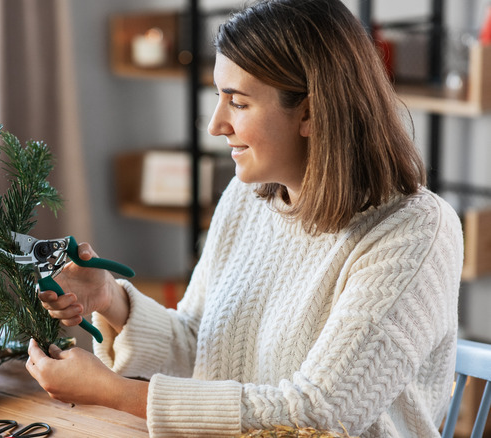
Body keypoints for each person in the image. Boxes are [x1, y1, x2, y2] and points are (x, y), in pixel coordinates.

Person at [25, 0, 465, 436]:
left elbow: (318, 416)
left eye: (237, 102)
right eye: (218, 97)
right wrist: (110, 300)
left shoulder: (416, 232)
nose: (215, 125)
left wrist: (116, 392)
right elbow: (202, 343)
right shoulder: (247, 196)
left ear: (310, 112)